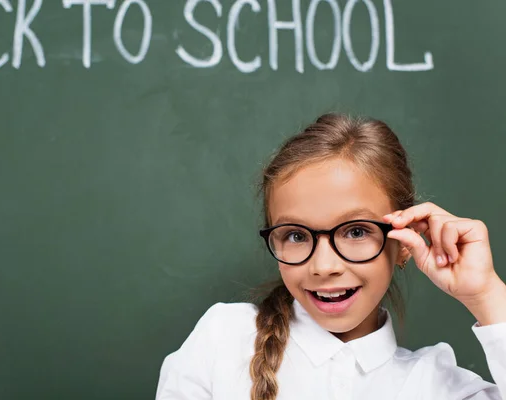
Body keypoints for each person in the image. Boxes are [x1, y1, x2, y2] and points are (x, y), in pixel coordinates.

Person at [155, 114, 506, 400]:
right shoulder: (222, 341)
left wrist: (488, 296)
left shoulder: (439, 387)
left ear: (404, 242)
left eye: (355, 231)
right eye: (295, 235)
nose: (323, 267)